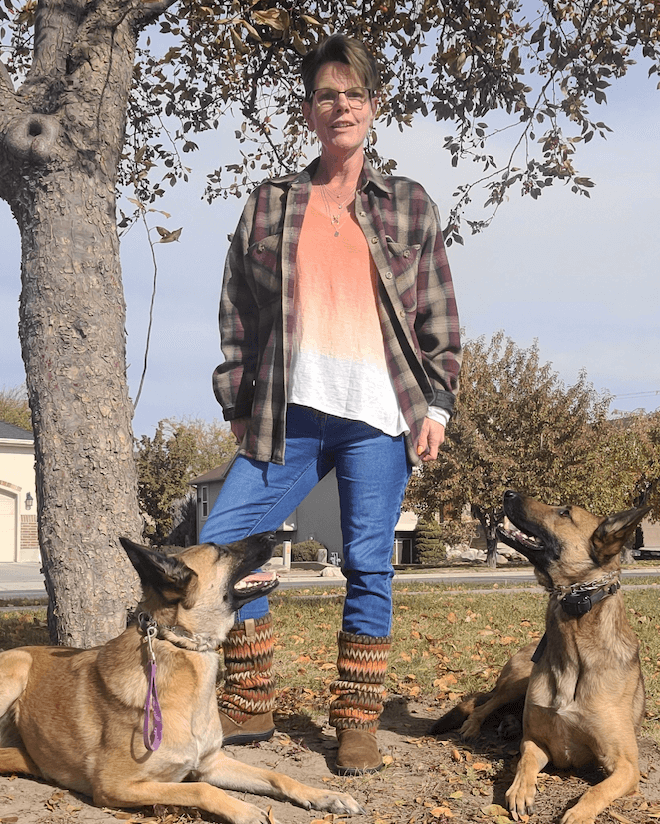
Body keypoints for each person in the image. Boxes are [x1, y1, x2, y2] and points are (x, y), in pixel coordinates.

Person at [200, 33, 461, 775]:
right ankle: (249, 697)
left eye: (352, 93)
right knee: (225, 542)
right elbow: (238, 313)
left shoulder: (409, 205)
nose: (339, 105)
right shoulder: (272, 204)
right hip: (289, 412)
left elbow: (439, 312)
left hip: (379, 415)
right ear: (309, 112)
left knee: (370, 564)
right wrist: (237, 400)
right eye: (325, 95)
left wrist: (435, 406)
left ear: (372, 107)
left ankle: (355, 721)